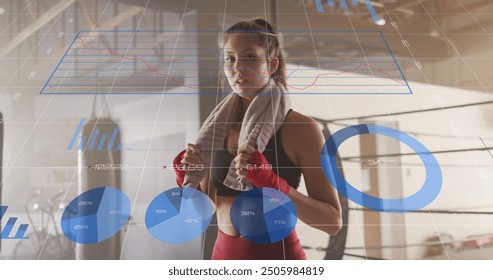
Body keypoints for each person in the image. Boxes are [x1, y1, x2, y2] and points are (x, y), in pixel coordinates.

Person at [173, 18, 342, 260]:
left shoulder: (301, 127)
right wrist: (187, 178)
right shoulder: (216, 129)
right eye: (230, 58)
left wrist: (273, 184)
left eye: (250, 56)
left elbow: (332, 222)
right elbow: (202, 212)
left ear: (271, 64)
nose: (238, 67)